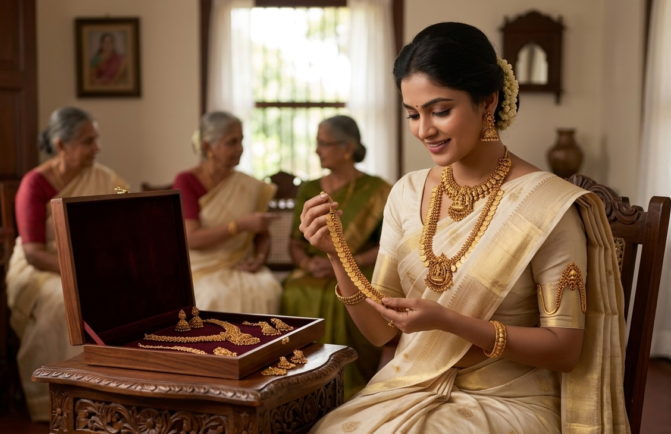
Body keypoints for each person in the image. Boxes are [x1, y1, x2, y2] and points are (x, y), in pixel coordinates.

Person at [300, 23, 628, 433]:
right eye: (413, 114)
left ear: (487, 102)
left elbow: (565, 351)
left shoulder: (546, 205)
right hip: (411, 386)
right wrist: (336, 254)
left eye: (440, 111)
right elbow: (381, 332)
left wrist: (448, 320)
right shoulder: (406, 192)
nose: (424, 130)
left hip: (510, 399)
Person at [6, 107, 128, 421]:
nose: (97, 148)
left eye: (96, 139)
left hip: (91, 263)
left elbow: (125, 204)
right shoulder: (33, 185)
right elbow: (32, 252)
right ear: (61, 146)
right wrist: (78, 272)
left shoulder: (104, 177)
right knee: (66, 301)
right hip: (42, 266)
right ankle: (64, 400)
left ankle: (115, 393)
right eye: (89, 141)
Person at [280, 115, 391, 399]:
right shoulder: (309, 188)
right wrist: (307, 263)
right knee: (295, 289)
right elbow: (294, 242)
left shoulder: (378, 190)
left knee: (340, 296)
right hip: (311, 270)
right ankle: (297, 381)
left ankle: (344, 382)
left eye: (323, 144)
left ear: (347, 148)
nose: (317, 150)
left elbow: (387, 246)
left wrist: (344, 264)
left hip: (355, 270)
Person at [173, 111, 282, 314]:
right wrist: (239, 226)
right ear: (208, 146)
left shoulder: (249, 186)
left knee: (269, 289)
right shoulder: (187, 180)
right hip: (200, 266)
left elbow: (263, 236)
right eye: (232, 142)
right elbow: (191, 238)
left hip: (240, 263)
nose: (240, 148)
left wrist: (259, 259)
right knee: (213, 296)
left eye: (241, 141)